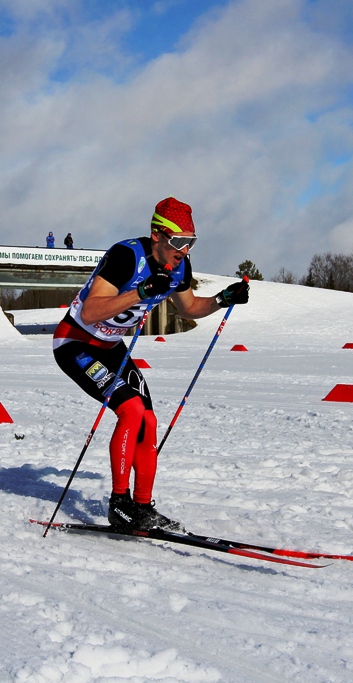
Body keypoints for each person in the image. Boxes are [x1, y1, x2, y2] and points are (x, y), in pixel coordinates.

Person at [52, 197, 249, 532]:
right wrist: (140, 291)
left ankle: (142, 506)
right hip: (76, 343)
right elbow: (91, 311)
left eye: (191, 242)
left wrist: (221, 300)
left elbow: (187, 308)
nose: (184, 250)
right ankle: (120, 504)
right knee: (129, 408)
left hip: (112, 347)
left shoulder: (179, 266)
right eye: (179, 242)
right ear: (157, 235)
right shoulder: (126, 256)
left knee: (148, 418)